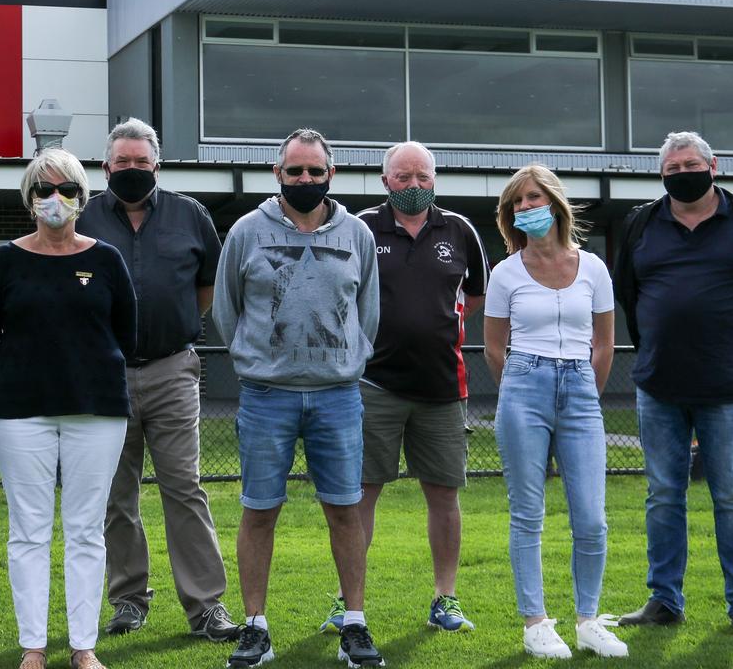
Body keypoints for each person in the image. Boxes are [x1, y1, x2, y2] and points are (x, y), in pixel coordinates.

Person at [613, 131, 733, 635]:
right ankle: (664, 601)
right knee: (663, 495)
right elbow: (629, 294)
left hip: (730, 385)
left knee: (732, 496)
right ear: (661, 175)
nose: (683, 174)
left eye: (691, 164)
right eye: (672, 169)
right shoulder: (640, 224)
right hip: (660, 385)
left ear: (713, 165)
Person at [213, 128, 383, 668]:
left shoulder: (355, 234)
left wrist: (342, 362)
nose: (305, 179)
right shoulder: (245, 232)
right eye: (295, 171)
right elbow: (227, 310)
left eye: (315, 171)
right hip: (267, 397)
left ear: (330, 174)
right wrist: (262, 362)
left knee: (345, 511)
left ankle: (353, 625)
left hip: (337, 397)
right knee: (259, 511)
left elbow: (368, 314)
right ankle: (256, 628)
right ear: (277, 174)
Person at [0, 148, 137, 669]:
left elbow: (125, 336)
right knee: (29, 531)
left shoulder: (106, 259)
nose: (56, 199)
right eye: (45, 190)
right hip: (21, 412)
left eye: (66, 189)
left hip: (97, 409)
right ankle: (34, 646)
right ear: (29, 198)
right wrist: (20, 376)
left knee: (86, 529)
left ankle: (83, 647)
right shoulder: (5, 260)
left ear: (83, 197)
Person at [75, 118, 238, 642]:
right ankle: (128, 600)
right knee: (115, 493)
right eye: (121, 162)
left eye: (141, 161)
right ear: (105, 167)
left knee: (184, 487)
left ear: (157, 165)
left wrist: (176, 325)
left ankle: (206, 606)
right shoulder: (83, 217)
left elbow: (207, 286)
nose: (131, 169)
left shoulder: (191, 216)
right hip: (104, 372)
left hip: (172, 369)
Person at [326, 141, 486, 635]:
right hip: (373, 385)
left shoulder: (460, 231)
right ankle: (348, 603)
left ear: (434, 179)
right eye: (403, 177)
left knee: (444, 495)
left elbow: (474, 296)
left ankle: (446, 598)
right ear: (384, 180)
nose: (413, 185)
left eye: (422, 177)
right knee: (361, 496)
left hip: (442, 386)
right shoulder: (359, 228)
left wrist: (431, 330)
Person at [483, 164, 627, 659]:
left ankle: (588, 620)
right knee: (528, 513)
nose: (526, 208)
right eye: (517, 203)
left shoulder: (593, 268)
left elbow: (604, 344)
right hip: (523, 385)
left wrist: (582, 390)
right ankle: (536, 623)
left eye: (533, 198)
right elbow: (494, 348)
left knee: (591, 518)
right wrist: (522, 393)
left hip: (581, 390)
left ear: (556, 203)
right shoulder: (505, 273)